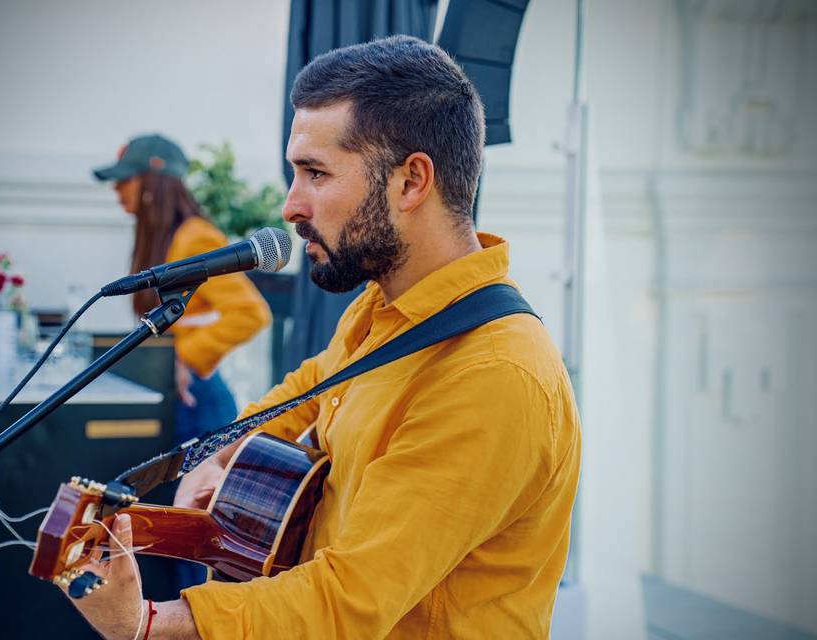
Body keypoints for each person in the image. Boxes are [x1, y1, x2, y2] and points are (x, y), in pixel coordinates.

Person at [66, 36, 581, 639]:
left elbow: (349, 599)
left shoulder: (493, 377)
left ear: (412, 182)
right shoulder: (381, 308)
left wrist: (147, 623)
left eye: (315, 173)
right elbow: (309, 389)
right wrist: (221, 455)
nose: (290, 205)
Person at [92, 135, 272, 589]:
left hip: (200, 401)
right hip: (186, 400)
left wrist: (184, 358)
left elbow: (251, 313)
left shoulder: (195, 236)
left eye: (124, 182)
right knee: (169, 532)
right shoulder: (171, 237)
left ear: (152, 183)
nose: (117, 192)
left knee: (187, 533)